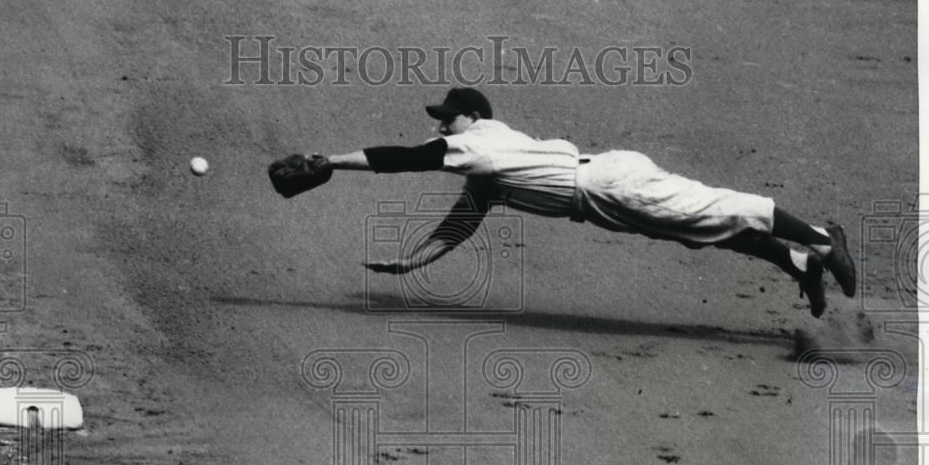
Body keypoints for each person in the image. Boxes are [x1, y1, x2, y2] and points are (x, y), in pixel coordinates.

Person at [324, 87, 855, 318]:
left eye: (448, 117)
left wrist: (329, 161)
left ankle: (825, 243)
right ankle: (801, 263)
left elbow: (404, 158)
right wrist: (411, 262)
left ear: (473, 118)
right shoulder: (486, 166)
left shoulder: (479, 138)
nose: (442, 125)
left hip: (606, 184)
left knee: (713, 206)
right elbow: (459, 226)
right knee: (700, 230)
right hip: (602, 194)